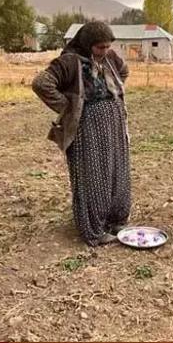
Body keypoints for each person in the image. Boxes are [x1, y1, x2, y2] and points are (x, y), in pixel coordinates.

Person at [32, 21, 131, 246]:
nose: (104, 51)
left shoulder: (110, 58)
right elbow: (41, 83)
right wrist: (68, 105)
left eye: (107, 46)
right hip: (87, 127)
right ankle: (94, 228)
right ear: (88, 44)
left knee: (116, 169)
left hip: (114, 123)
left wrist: (113, 89)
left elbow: (124, 71)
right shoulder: (69, 61)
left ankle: (115, 220)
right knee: (92, 173)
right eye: (99, 47)